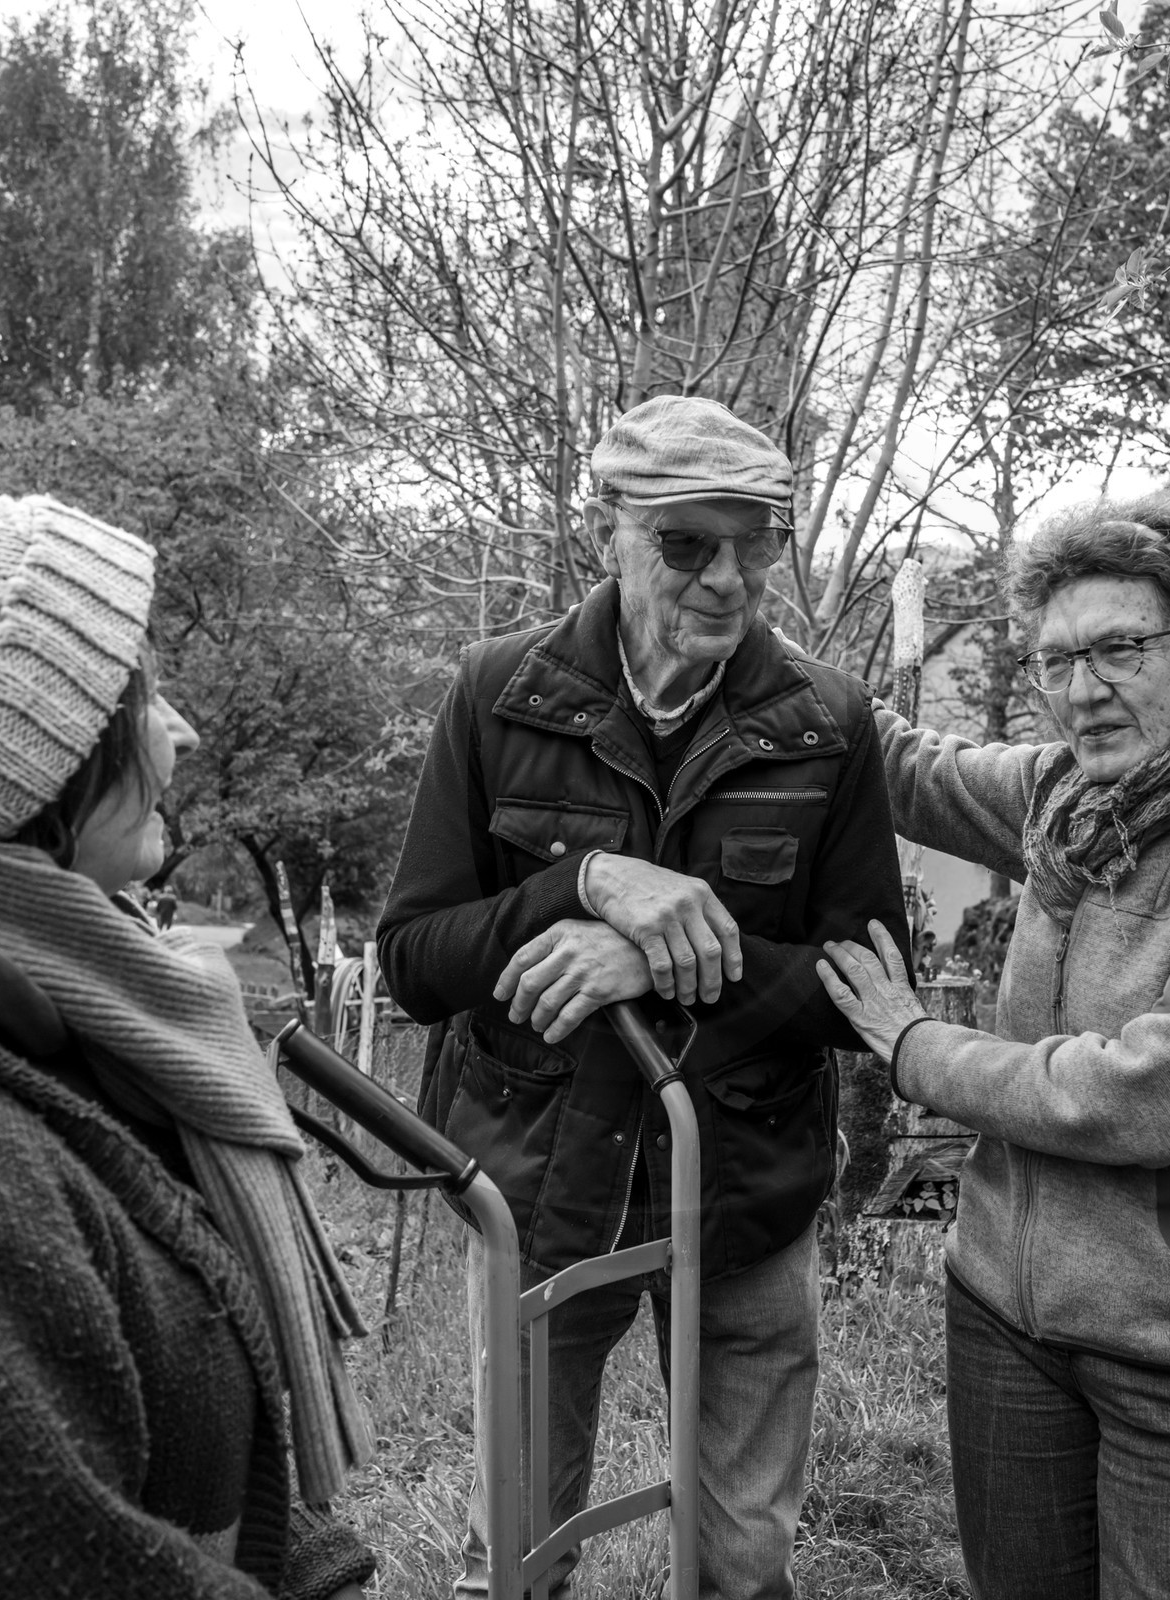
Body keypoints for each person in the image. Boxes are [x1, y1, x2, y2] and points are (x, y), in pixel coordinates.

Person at [816, 485, 1170, 1600]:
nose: (1081, 692)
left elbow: (1147, 1095)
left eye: (1120, 648)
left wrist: (913, 1045)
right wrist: (730, 606)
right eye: (1054, 661)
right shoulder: (1063, 798)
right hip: (1005, 1322)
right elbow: (895, 760)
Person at [377, 394, 909, 1600]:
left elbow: (865, 989)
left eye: (756, 541)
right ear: (608, 531)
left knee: (737, 1559)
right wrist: (584, 884)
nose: (728, 578)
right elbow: (414, 958)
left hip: (742, 1189)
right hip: (538, 1177)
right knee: (513, 1550)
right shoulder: (497, 693)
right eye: (687, 544)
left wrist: (654, 961)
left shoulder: (826, 722)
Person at [0, 493, 376, 1599]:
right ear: (20, 766)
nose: (181, 730)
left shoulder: (36, 1017)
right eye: (134, 695)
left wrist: (306, 1555)